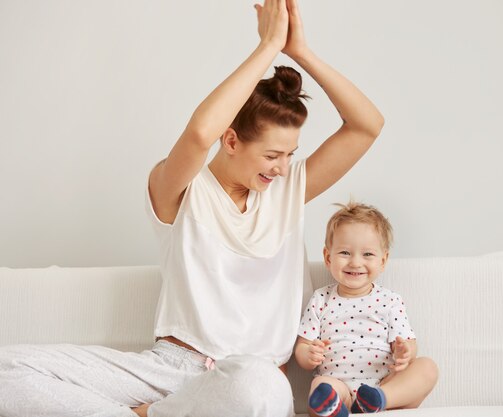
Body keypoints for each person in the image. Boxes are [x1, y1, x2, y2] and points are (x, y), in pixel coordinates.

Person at [0, 0, 383, 416]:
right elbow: (200, 133)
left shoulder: (288, 189)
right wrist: (266, 48)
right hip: (168, 369)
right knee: (7, 370)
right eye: (273, 155)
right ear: (231, 140)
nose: (283, 167)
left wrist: (300, 52)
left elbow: (367, 125)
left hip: (249, 382)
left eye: (291, 154)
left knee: (258, 385)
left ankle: (150, 414)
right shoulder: (180, 190)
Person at [294, 202, 438, 416]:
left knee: (427, 367)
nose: (355, 262)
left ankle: (379, 399)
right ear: (327, 257)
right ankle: (334, 407)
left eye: (367, 255)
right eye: (345, 252)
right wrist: (309, 354)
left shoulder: (390, 300)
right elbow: (303, 347)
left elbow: (408, 343)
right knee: (320, 386)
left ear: (383, 260)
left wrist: (404, 352)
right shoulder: (321, 299)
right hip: (337, 382)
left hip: (383, 382)